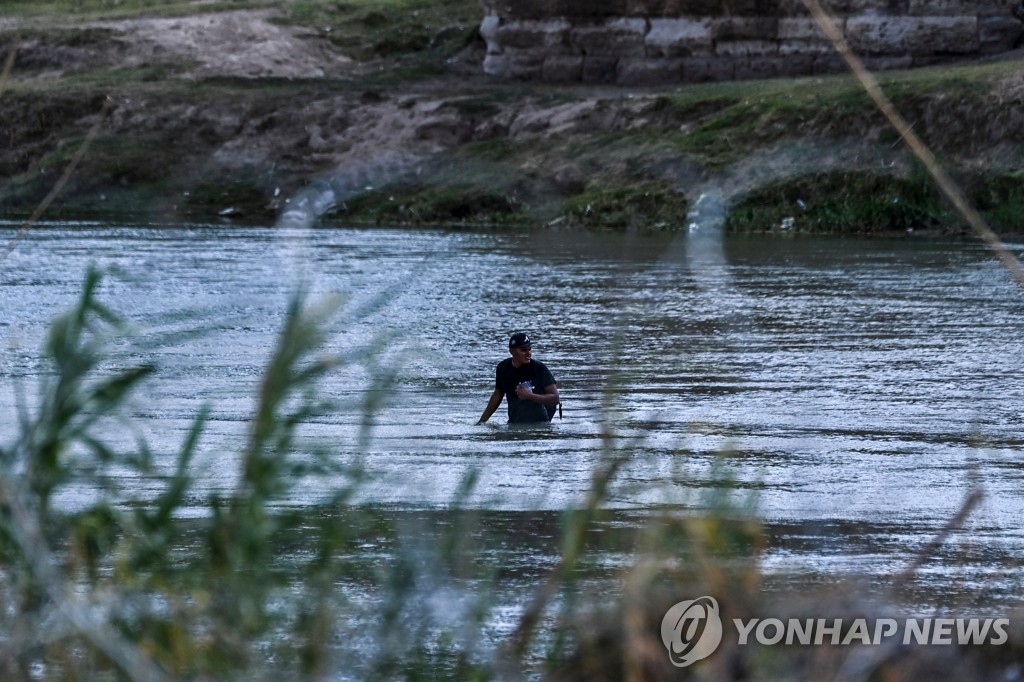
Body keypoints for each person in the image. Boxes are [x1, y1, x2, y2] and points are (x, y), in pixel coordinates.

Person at [477, 332, 560, 424]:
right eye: (524, 350)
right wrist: (482, 421)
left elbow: (555, 398)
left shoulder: (539, 368)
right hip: (514, 423)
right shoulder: (503, 368)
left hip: (539, 423)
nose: (528, 353)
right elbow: (497, 395)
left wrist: (529, 396)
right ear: (512, 351)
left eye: (530, 349)